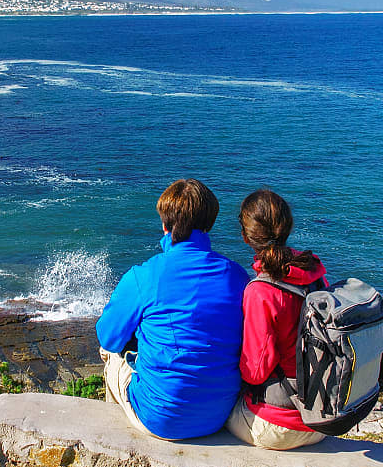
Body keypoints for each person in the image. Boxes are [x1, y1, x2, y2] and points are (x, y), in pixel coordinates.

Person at [96, 178, 251, 440]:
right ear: (209, 224)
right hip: (218, 414)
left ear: (165, 224)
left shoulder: (144, 275)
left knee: (110, 353)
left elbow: (108, 337)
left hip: (160, 418)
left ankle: (115, 441)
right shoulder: (237, 276)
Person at [225, 189, 329, 450]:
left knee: (210, 411)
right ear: (288, 227)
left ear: (245, 237)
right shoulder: (314, 273)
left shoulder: (260, 292)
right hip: (321, 419)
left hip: (280, 425)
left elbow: (255, 372)